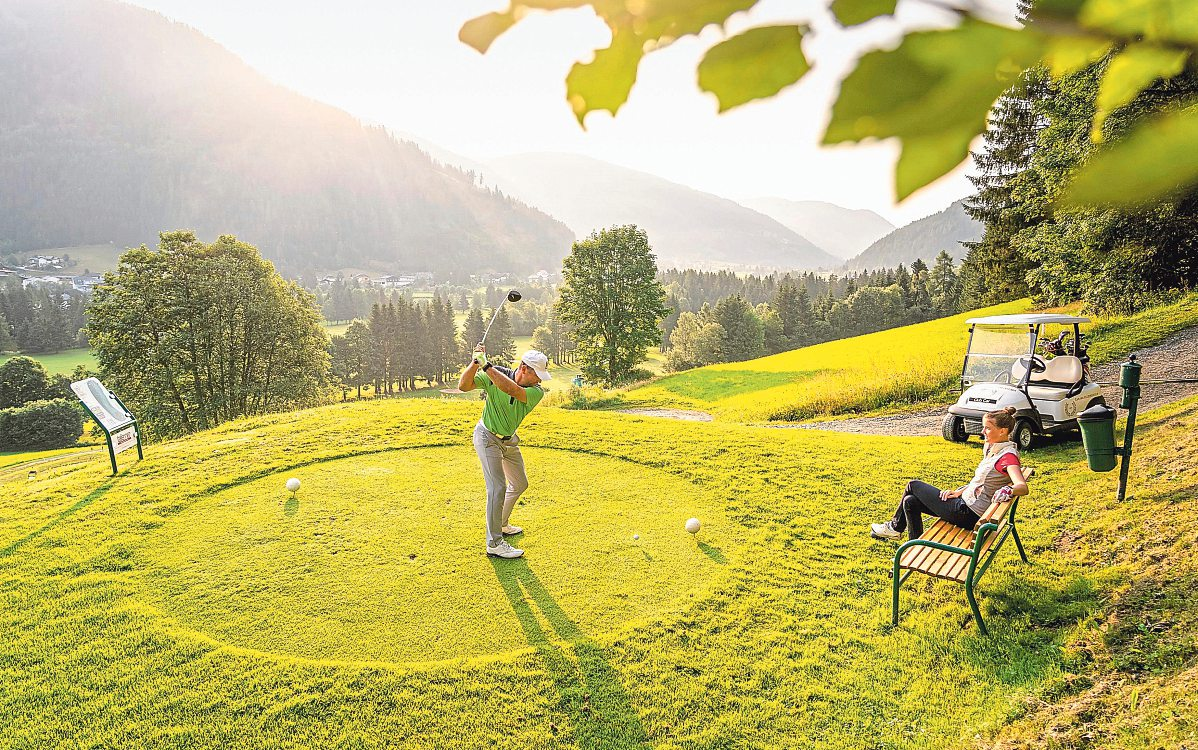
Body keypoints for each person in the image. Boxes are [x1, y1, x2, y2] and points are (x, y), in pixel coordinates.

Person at [871, 406, 1028, 541]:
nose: (983, 432)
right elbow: (980, 483)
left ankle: (894, 528)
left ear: (1002, 431)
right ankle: (914, 548)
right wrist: (959, 492)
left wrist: (1009, 490)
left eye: (987, 428)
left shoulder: (1008, 457)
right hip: (966, 505)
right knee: (910, 501)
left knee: (913, 486)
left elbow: (1022, 486)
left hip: (969, 514)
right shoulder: (993, 448)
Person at [458, 344, 552, 559]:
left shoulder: (536, 392)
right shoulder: (495, 373)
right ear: (524, 368)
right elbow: (464, 386)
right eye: (537, 375)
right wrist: (475, 362)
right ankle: (494, 543)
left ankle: (500, 524)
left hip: (509, 441)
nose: (539, 380)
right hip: (487, 437)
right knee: (497, 487)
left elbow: (512, 390)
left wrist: (486, 365)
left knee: (520, 483)